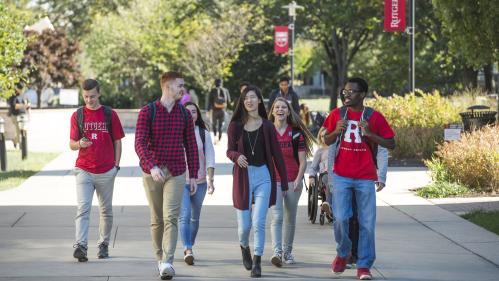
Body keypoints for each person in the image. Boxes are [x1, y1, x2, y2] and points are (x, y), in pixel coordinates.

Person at [323, 77, 395, 280]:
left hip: (364, 177)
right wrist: (336, 131)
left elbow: (391, 143)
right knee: (340, 218)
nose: (346, 94)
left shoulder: (374, 117)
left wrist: (370, 134)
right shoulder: (337, 114)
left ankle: (364, 265)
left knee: (367, 223)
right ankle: (343, 252)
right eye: (345, 91)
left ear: (362, 94)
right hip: (341, 176)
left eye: (351, 92)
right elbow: (326, 140)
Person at [135, 71, 199, 280]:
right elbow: (140, 143)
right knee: (157, 220)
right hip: (151, 171)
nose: (183, 89)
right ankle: (159, 258)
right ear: (167, 86)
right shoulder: (147, 112)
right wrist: (152, 166)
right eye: (180, 85)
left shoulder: (184, 114)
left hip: (177, 171)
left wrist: (193, 175)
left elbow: (191, 146)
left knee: (171, 216)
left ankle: (168, 262)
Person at [226, 85, 288, 278]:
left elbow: (277, 156)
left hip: (263, 176)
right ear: (242, 102)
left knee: (259, 222)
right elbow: (228, 151)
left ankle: (257, 261)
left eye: (253, 97)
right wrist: (236, 156)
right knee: (245, 226)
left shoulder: (268, 126)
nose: (249, 101)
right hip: (243, 177)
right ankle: (244, 246)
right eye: (246, 98)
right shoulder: (235, 125)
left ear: (260, 101)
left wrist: (284, 183)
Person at [69, 79, 125, 262]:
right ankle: (81, 246)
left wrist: (116, 166)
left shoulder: (110, 114)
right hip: (84, 169)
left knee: (105, 211)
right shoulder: (78, 115)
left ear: (99, 94)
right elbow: (71, 144)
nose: (89, 100)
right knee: (83, 208)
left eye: (92, 96)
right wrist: (79, 144)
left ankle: (103, 244)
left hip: (106, 171)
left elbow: (118, 141)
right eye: (85, 96)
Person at [268, 97, 315, 267]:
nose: (280, 110)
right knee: (276, 217)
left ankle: (287, 252)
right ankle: (277, 252)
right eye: (277, 107)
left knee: (290, 218)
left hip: (293, 180)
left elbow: (303, 161)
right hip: (274, 181)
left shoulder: (296, 133)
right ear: (272, 111)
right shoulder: (267, 131)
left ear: (288, 112)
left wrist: (297, 179)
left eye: (283, 107)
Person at [178, 101, 215, 266]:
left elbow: (210, 159)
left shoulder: (203, 134)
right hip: (180, 181)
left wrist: (210, 180)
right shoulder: (175, 133)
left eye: (194, 112)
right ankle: (188, 249)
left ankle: (190, 244)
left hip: (199, 182)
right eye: (187, 112)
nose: (191, 114)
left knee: (194, 218)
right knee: (184, 216)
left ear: (197, 115)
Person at [308, 127, 333, 221]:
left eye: (326, 135)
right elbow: (313, 167)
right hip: (325, 175)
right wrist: (311, 177)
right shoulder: (320, 151)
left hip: (338, 174)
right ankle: (328, 205)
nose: (323, 138)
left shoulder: (338, 148)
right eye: (322, 136)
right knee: (328, 180)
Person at [207, 78, 231, 143]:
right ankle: (219, 138)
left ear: (215, 83)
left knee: (214, 124)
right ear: (221, 83)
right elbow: (229, 101)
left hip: (214, 111)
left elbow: (209, 101)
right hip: (223, 110)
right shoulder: (225, 90)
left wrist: (208, 110)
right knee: (221, 125)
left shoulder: (213, 90)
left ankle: (215, 136)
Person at [7, 83, 30, 148]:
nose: (21, 90)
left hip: (23, 115)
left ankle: (15, 140)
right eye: (20, 89)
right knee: (18, 130)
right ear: (17, 88)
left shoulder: (24, 95)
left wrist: (29, 115)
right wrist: (24, 105)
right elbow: (15, 106)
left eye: (22, 89)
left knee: (23, 130)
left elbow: (28, 105)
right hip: (15, 115)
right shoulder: (13, 96)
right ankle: (21, 147)